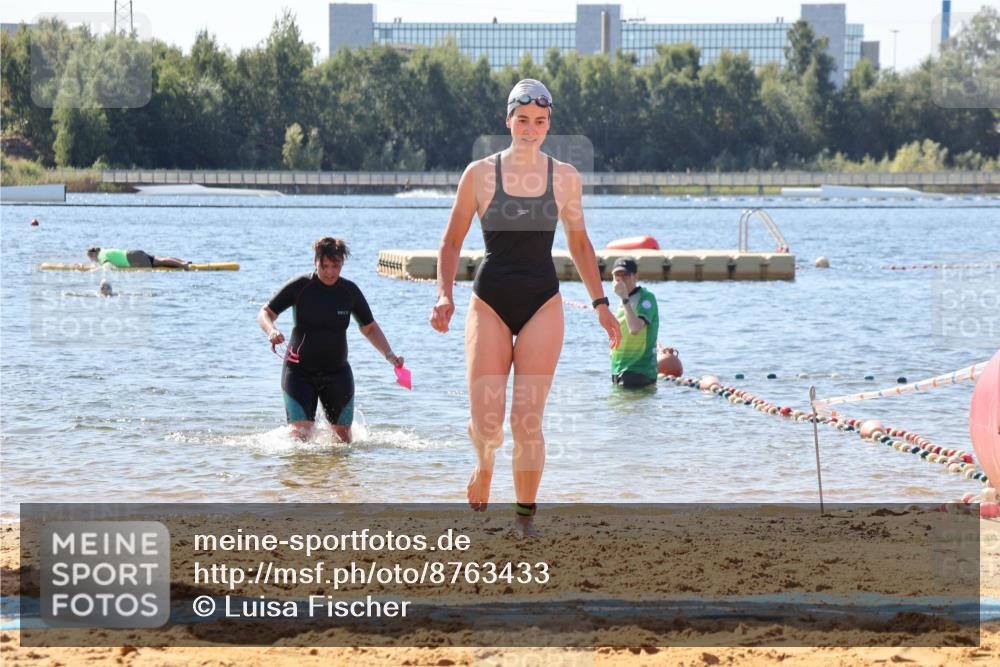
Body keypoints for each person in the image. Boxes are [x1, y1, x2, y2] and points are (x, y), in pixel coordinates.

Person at [430, 79, 620, 537]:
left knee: (527, 420)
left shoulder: (565, 178)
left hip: (543, 302)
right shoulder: (479, 174)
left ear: (548, 124)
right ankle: (484, 463)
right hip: (489, 301)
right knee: (487, 421)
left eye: (540, 121)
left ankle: (523, 519)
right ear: (508, 120)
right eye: (522, 120)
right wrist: (443, 294)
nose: (530, 129)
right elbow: (452, 240)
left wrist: (601, 305)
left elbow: (578, 241)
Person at [258, 237, 403, 443]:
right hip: (299, 373)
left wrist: (390, 355)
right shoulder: (300, 287)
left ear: (341, 264)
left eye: (335, 266)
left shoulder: (349, 292)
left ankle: (334, 476)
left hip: (337, 373)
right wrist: (271, 330)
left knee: (343, 442)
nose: (330, 272)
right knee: (300, 437)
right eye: (324, 266)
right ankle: (304, 476)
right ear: (315, 262)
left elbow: (369, 328)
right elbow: (265, 313)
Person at [609, 257, 659, 389]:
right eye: (617, 275)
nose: (620, 279)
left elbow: (635, 328)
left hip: (639, 370)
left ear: (636, 276)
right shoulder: (623, 301)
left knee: (633, 408)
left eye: (625, 275)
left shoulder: (645, 298)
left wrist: (624, 298)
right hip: (619, 368)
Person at [86, 247, 191, 269]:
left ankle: (183, 265)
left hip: (132, 259)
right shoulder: (103, 251)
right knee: (160, 259)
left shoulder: (101, 256)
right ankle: (183, 262)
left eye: (90, 257)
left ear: (93, 254)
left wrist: (94, 271)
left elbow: (106, 265)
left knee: (160, 262)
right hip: (133, 254)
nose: (91, 260)